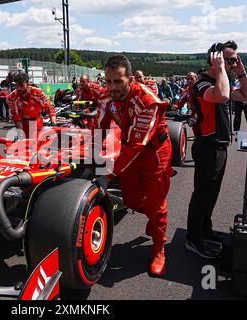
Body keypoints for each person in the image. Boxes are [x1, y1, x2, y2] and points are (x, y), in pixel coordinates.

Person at [95, 55, 173, 277]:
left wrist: (107, 175)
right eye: (108, 81)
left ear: (129, 79)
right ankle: (154, 218)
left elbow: (138, 144)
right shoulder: (105, 96)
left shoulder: (147, 101)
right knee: (130, 200)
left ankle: (159, 247)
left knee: (157, 205)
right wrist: (93, 156)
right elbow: (99, 128)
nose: (112, 87)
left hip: (155, 153)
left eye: (118, 82)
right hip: (130, 149)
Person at [186, 41, 247, 259]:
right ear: (215, 59)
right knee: (202, 195)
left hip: (220, 148)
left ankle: (205, 230)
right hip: (207, 147)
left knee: (211, 195)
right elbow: (222, 95)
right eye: (230, 59)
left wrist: (241, 72)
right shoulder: (203, 84)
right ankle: (193, 239)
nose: (234, 63)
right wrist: (223, 68)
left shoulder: (221, 80)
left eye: (236, 59)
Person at [6, 70, 56, 139]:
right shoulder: (11, 98)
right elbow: (16, 117)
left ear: (27, 83)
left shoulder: (38, 93)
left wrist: (53, 121)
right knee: (23, 144)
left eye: (22, 85)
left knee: (35, 145)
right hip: (23, 123)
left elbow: (49, 107)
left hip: (36, 121)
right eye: (17, 85)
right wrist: (21, 134)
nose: (19, 88)